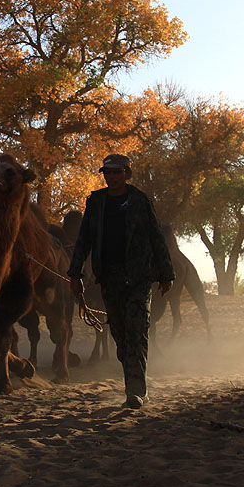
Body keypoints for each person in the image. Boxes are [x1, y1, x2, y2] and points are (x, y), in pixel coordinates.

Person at [67, 154, 174, 409]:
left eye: (117, 172)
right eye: (108, 172)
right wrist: (75, 273)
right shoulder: (96, 203)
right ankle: (135, 385)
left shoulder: (140, 200)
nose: (112, 177)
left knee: (137, 331)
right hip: (109, 278)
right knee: (120, 334)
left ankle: (135, 391)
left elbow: (156, 236)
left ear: (127, 174)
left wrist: (166, 272)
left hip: (138, 277)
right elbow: (84, 240)